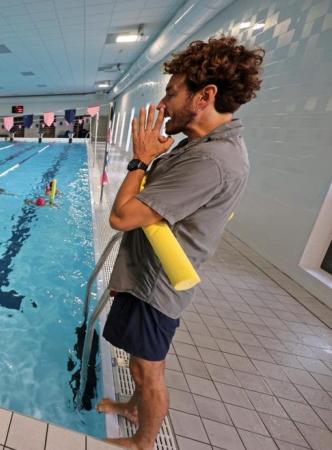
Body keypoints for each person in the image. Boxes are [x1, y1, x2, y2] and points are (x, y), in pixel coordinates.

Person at [96, 36, 263, 450]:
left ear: (204, 96)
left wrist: (139, 159)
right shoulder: (202, 146)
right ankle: (133, 409)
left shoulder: (211, 161)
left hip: (157, 286)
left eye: (172, 92)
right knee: (139, 363)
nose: (164, 104)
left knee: (148, 371)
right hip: (146, 273)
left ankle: (144, 441)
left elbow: (122, 216)